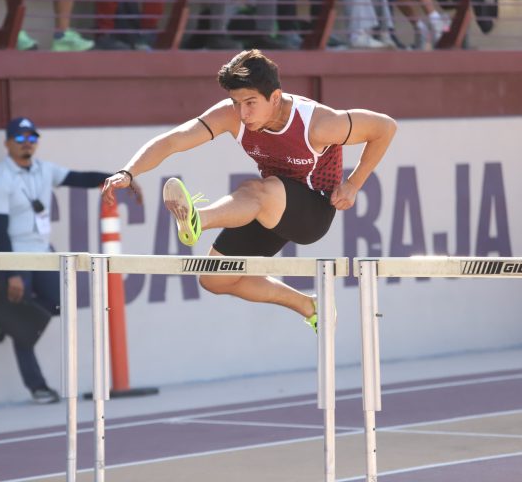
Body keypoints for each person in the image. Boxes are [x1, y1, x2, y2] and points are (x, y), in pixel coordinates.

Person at [101, 50, 396, 332]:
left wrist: (354, 184)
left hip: (312, 212)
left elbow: (385, 127)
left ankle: (198, 219)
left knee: (258, 189)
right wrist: (128, 172)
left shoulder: (319, 124)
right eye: (236, 102)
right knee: (215, 278)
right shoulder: (231, 115)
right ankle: (309, 305)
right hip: (272, 208)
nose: (243, 113)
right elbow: (174, 140)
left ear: (276, 97)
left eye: (251, 102)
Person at [0, 117, 141, 404]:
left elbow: (79, 178)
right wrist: (10, 274)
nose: (27, 143)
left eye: (32, 137)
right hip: (15, 255)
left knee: (57, 302)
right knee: (22, 321)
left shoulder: (44, 170)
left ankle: (4, 318)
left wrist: (117, 179)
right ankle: (37, 385)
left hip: (41, 252)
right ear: (7, 143)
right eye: (19, 138)